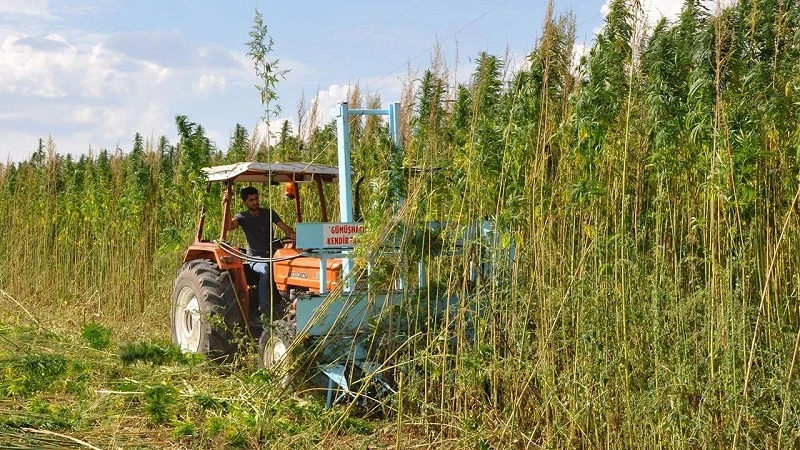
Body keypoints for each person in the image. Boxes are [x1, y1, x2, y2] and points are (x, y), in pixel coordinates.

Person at [227, 186, 296, 318]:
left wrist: (292, 233)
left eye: (256, 198)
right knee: (265, 270)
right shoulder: (242, 217)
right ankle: (264, 309)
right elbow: (229, 226)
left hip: (272, 255)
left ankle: (286, 302)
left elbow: (285, 228)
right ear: (245, 202)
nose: (255, 202)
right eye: (251, 200)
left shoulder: (269, 213)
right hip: (255, 258)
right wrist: (227, 204)